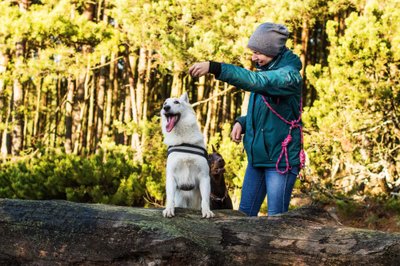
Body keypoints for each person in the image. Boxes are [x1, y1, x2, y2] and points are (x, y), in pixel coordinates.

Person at [189, 22, 304, 216]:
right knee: (243, 216)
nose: (253, 57)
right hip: (257, 158)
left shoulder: (288, 76)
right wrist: (243, 122)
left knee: (276, 219)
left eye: (258, 52)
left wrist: (214, 67)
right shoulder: (267, 69)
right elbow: (267, 111)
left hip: (279, 161)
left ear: (273, 51)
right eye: (253, 52)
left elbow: (256, 82)